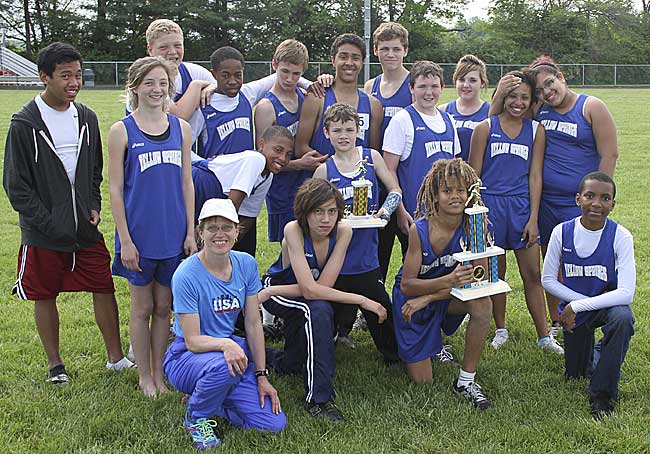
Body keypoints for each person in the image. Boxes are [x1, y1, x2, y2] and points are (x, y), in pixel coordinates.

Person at [3, 42, 131, 385]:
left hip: (84, 227)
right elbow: (16, 186)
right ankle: (55, 365)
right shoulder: (25, 123)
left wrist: (93, 204)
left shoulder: (86, 117)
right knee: (44, 293)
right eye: (65, 76)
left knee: (103, 285)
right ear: (44, 77)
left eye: (78, 75)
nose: (74, 82)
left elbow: (94, 171)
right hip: (43, 232)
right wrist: (47, 222)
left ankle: (116, 358)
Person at [491, 55, 618, 336]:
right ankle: (558, 320)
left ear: (561, 77)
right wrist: (499, 94)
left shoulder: (590, 106)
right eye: (540, 91)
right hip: (545, 202)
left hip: (577, 203)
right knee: (553, 263)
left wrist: (598, 199)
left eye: (550, 84)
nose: (547, 92)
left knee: (581, 262)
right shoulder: (541, 111)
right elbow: (501, 122)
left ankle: (589, 315)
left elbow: (609, 154)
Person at [259, 179, 389, 423]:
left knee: (292, 364)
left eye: (332, 211)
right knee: (317, 310)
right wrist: (363, 300)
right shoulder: (293, 230)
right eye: (318, 211)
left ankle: (255, 352)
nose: (326, 219)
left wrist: (316, 290)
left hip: (310, 292)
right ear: (305, 212)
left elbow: (322, 287)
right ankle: (318, 400)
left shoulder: (344, 231)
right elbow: (310, 291)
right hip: (279, 292)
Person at [164, 198, 286, 449]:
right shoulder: (185, 274)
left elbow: (253, 323)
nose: (220, 234)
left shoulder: (246, 264)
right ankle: (197, 417)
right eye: (212, 228)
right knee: (224, 366)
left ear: (237, 231)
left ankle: (212, 399)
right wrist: (225, 345)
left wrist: (261, 375)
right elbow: (192, 340)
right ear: (200, 233)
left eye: (227, 227)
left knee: (273, 423)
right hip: (186, 356)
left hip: (228, 356)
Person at [108, 57, 197, 397]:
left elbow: (186, 182)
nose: (157, 89)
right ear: (135, 87)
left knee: (163, 308)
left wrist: (190, 232)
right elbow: (115, 189)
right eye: (149, 83)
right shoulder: (122, 131)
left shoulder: (181, 128)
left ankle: (160, 373)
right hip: (139, 237)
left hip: (172, 234)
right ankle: (144, 376)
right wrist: (126, 241)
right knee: (142, 308)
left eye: (162, 83)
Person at [469, 70, 562, 354]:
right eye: (512, 96)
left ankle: (544, 336)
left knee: (532, 274)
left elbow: (535, 176)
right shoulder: (485, 127)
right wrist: (477, 217)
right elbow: (473, 176)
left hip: (521, 208)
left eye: (524, 97)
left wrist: (533, 218)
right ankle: (501, 329)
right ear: (502, 97)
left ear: (532, 101)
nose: (518, 102)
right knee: (496, 275)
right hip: (491, 209)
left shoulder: (535, 130)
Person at [392, 158, 494, 409]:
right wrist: (445, 281)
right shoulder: (419, 229)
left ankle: (465, 381)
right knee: (423, 381)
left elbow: (479, 281)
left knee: (482, 303)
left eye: (461, 190)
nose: (455, 196)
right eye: (447, 190)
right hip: (411, 300)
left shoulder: (474, 227)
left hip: (441, 296)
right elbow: (407, 286)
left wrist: (430, 297)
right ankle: (429, 343)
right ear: (435, 195)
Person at [541, 172, 635, 419]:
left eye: (605, 198)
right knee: (577, 373)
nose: (597, 203)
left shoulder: (621, 236)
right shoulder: (562, 232)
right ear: (578, 199)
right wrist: (578, 305)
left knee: (623, 318)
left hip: (603, 306)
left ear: (612, 205)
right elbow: (547, 280)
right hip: (576, 312)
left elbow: (626, 293)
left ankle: (602, 395)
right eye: (590, 196)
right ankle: (601, 351)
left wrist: (578, 305)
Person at [312, 103, 402, 355]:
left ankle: (393, 355)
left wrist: (385, 212)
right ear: (327, 133)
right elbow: (311, 210)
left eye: (349, 130)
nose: (344, 136)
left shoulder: (371, 158)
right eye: (337, 130)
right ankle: (327, 344)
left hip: (366, 258)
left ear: (358, 131)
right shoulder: (324, 170)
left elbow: (395, 190)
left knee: (382, 313)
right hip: (335, 260)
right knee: (327, 315)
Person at [254, 39, 328, 244]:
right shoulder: (266, 107)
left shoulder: (307, 97)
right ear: (274, 65)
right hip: (282, 188)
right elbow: (263, 160)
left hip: (308, 182)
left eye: (296, 74)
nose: (289, 79)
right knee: (289, 245)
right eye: (284, 71)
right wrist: (299, 164)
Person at [383, 61, 461, 247]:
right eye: (422, 86)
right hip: (415, 213)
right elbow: (389, 171)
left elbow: (456, 167)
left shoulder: (448, 120)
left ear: (442, 87)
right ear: (411, 88)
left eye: (434, 86)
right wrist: (400, 210)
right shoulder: (402, 120)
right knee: (415, 262)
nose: (428, 92)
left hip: (445, 212)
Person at [192, 126, 294, 256]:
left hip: (218, 196)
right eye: (278, 150)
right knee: (197, 236)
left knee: (241, 241)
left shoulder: (268, 176)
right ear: (261, 144)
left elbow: (249, 217)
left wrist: (228, 244)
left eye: (288, 154)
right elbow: (230, 208)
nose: (283, 158)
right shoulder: (256, 159)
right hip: (202, 183)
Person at [363, 22, 412, 281]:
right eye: (384, 49)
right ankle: (376, 299)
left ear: (405, 50)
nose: (390, 54)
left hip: (406, 178)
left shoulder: (414, 84)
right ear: (375, 50)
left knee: (411, 247)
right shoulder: (370, 86)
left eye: (396, 49)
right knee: (376, 250)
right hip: (378, 180)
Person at [295, 33, 383, 159]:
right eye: (343, 57)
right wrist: (334, 167)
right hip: (321, 171)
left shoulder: (374, 106)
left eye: (355, 58)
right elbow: (300, 148)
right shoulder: (317, 98)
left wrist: (349, 168)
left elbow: (373, 154)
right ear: (333, 60)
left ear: (362, 62)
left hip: (358, 171)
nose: (349, 62)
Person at [142, 19, 216, 142]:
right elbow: (178, 117)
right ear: (150, 50)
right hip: (151, 149)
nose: (172, 52)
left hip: (183, 149)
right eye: (163, 47)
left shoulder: (193, 71)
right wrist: (196, 85)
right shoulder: (143, 78)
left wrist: (213, 87)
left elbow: (225, 90)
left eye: (177, 45)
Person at [439, 54, 490, 162]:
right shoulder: (443, 110)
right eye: (461, 80)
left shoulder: (490, 112)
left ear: (482, 83)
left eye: (472, 80)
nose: (466, 85)